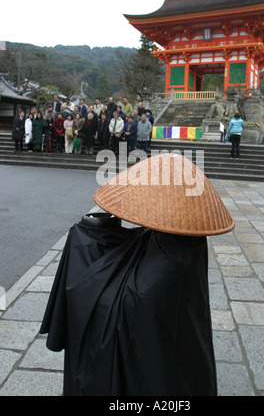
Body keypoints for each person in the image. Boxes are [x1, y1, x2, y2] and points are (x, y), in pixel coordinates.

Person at [41, 153, 235, 396]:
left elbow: (138, 300)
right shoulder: (184, 239)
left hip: (149, 347)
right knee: (83, 236)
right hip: (166, 341)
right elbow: (143, 242)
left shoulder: (174, 259)